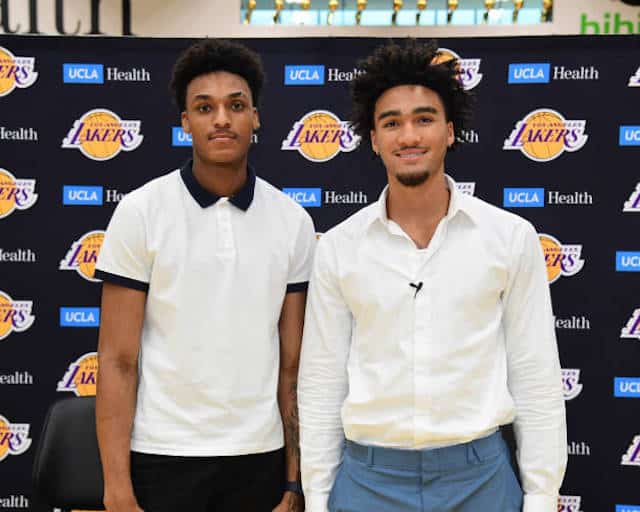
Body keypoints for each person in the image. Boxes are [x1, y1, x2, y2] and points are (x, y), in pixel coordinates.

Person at [298, 39, 566, 512]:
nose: (409, 136)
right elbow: (323, 381)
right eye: (391, 123)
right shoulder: (338, 247)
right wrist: (318, 498)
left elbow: (535, 375)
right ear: (373, 139)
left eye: (424, 119)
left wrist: (542, 497)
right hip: (367, 483)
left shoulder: (510, 237)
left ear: (450, 131)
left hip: (481, 481)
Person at [95, 39, 314, 512]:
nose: (221, 119)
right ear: (185, 122)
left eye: (235, 105)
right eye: (204, 107)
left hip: (260, 458)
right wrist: (116, 488)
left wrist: (294, 483)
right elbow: (117, 360)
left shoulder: (293, 221)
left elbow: (293, 367)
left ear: (255, 118)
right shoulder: (141, 212)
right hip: (162, 456)